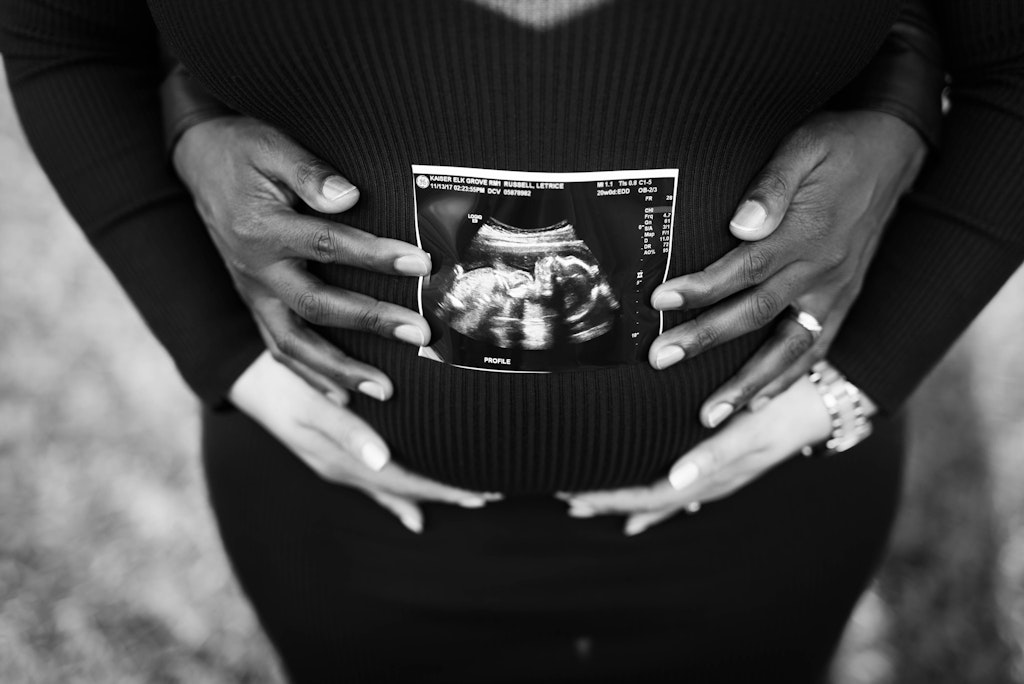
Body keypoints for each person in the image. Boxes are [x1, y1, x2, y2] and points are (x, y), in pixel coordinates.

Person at [2, 1, 1022, 682]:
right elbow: (68, 29)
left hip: (764, 512)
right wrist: (216, 345)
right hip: (345, 518)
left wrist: (861, 373)